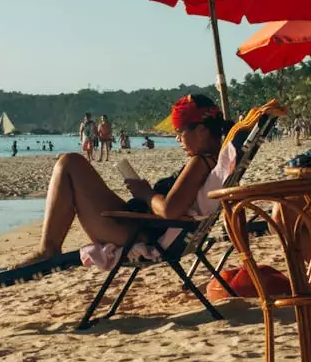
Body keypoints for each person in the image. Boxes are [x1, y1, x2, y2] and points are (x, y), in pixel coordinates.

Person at [17, 95, 232, 266]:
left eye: (180, 132)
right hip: (140, 224)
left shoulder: (200, 162)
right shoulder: (209, 160)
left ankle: (49, 248)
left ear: (202, 130)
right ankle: (49, 247)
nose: (177, 139)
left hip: (139, 233)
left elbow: (169, 210)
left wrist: (145, 193)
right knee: (70, 163)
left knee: (69, 163)